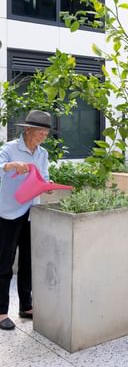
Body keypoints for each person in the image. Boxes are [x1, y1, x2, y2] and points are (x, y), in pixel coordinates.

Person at [0, 110, 52, 330]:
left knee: (28, 263)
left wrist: (48, 186)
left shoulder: (43, 154)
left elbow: (45, 178)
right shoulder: (10, 149)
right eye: (40, 131)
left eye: (46, 132)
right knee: (4, 262)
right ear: (27, 130)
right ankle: (1, 312)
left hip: (32, 212)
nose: (43, 135)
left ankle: (26, 305)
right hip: (8, 213)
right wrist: (10, 166)